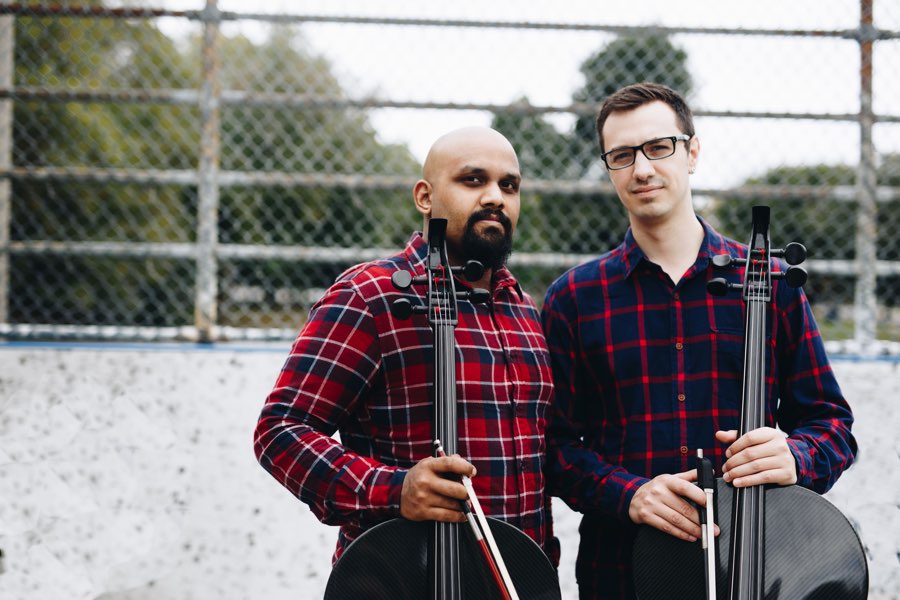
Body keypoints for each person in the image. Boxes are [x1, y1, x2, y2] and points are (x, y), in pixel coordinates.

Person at [540, 82, 857, 599]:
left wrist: (795, 456)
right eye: (622, 155)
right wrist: (631, 494)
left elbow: (832, 426)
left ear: (692, 152)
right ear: (609, 168)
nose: (642, 169)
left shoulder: (771, 284)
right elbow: (555, 449)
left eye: (659, 147)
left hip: (755, 570)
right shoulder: (574, 298)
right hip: (623, 575)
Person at [254, 126, 559, 568]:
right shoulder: (370, 295)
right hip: (403, 577)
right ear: (424, 197)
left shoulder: (523, 309)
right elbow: (280, 432)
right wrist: (394, 490)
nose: (495, 197)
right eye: (473, 180)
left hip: (519, 581)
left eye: (508, 185)